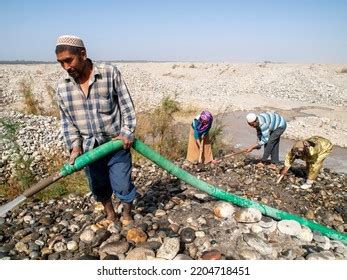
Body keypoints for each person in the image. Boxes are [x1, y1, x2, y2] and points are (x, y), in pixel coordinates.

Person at [55, 35, 136, 225]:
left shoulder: (109, 72)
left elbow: (126, 106)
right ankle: (110, 214)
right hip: (90, 150)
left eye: (69, 60)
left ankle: (126, 213)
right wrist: (75, 148)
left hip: (116, 144)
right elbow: (67, 122)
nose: (66, 67)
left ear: (82, 54)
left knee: (123, 184)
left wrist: (127, 131)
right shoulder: (62, 87)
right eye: (61, 63)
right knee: (98, 186)